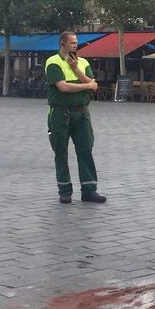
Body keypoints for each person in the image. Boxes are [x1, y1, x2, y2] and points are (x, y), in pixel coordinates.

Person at [45, 31, 106, 204]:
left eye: (76, 43)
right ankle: (65, 191)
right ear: (62, 43)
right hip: (60, 114)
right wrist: (86, 85)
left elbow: (93, 85)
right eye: (72, 43)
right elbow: (62, 87)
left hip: (82, 113)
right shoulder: (53, 62)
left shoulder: (83, 62)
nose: (75, 45)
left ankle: (89, 190)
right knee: (61, 152)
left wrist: (75, 69)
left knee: (85, 150)